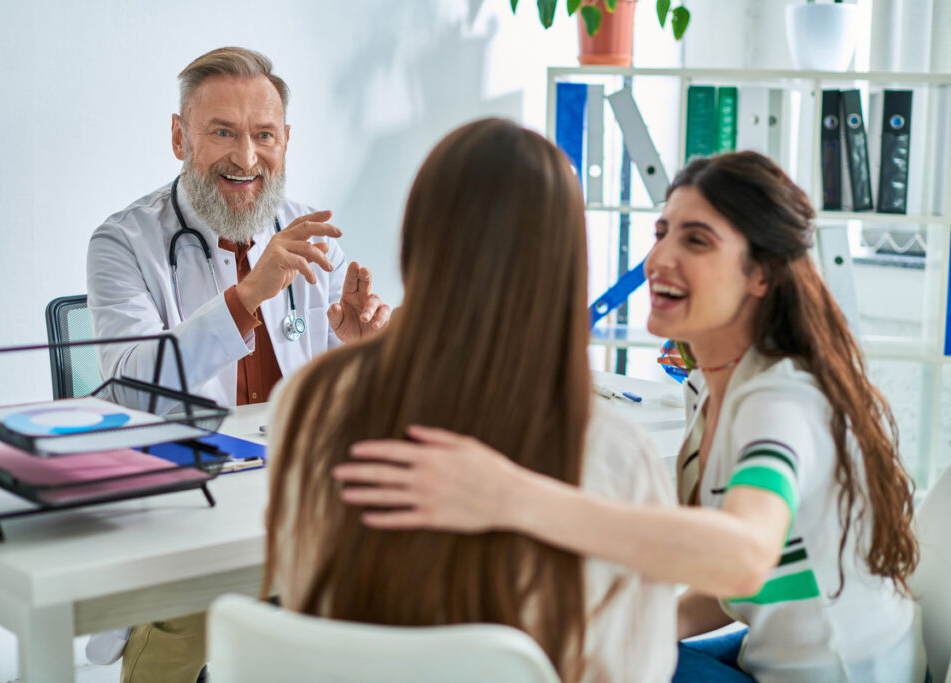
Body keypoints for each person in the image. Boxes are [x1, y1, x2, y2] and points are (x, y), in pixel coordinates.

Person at [335, 151, 927, 683]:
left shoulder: (780, 401)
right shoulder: (712, 384)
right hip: (773, 653)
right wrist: (617, 630)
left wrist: (510, 495)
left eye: (697, 241)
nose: (659, 258)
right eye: (662, 232)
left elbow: (744, 555)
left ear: (761, 275)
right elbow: (729, 591)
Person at [261, 118, 678, 683]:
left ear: (416, 241)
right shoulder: (615, 454)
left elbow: (304, 588)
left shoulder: (305, 402)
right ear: (565, 263)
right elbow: (636, 667)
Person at [85, 47, 390, 683]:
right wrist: (248, 296)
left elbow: (336, 409)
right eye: (222, 132)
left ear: (286, 141)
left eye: (263, 136)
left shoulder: (308, 234)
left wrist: (357, 352)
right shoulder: (123, 244)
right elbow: (127, 387)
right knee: (195, 614)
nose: (246, 158)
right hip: (183, 521)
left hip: (298, 514)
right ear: (179, 136)